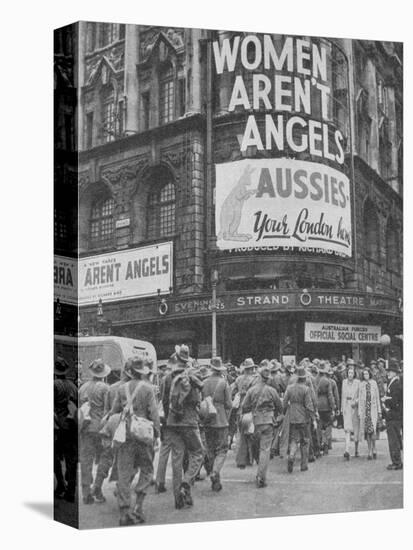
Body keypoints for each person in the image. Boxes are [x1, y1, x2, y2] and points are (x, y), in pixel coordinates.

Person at [110, 356, 160, 525]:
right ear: (142, 372)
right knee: (146, 469)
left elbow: (114, 412)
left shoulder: (121, 388)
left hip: (125, 434)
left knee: (123, 473)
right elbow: (154, 414)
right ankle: (138, 506)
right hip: (143, 435)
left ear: (129, 372)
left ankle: (124, 512)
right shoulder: (148, 388)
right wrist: (157, 435)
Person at [165, 345, 204, 509]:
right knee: (197, 453)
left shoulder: (167, 377)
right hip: (189, 421)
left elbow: (164, 400)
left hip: (173, 421)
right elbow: (197, 401)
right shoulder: (193, 376)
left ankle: (177, 499)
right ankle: (186, 482)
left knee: (176, 459)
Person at [241, 364, 282, 487]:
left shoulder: (251, 390)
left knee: (256, 447)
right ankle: (261, 477)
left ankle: (259, 469)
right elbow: (280, 407)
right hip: (268, 421)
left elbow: (244, 406)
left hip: (254, 422)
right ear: (268, 378)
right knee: (265, 450)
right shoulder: (272, 391)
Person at [79, 359, 113, 504]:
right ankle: (97, 487)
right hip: (101, 428)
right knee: (106, 456)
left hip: (86, 428)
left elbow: (81, 408)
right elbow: (110, 408)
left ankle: (86, 492)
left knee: (86, 459)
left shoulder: (83, 387)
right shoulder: (105, 388)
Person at [202, 357, 232, 491]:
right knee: (222, 450)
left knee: (210, 449)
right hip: (221, 419)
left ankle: (215, 481)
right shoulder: (224, 383)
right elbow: (229, 404)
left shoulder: (203, 382)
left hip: (207, 419)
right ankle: (215, 472)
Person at [283, 365, 316, 473]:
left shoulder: (290, 388)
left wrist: (286, 411)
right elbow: (309, 405)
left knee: (293, 439)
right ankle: (303, 465)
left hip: (292, 417)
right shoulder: (306, 389)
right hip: (304, 418)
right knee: (305, 441)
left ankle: (291, 455)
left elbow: (284, 402)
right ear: (304, 378)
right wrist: (313, 418)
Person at [54, 357, 78, 502]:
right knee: (71, 459)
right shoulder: (73, 386)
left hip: (58, 427)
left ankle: (61, 484)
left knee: (55, 456)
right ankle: (71, 491)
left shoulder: (53, 385)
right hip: (72, 426)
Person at [234, 358, 258, 468]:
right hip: (250, 409)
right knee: (252, 434)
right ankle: (251, 458)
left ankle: (241, 459)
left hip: (240, 410)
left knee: (241, 434)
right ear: (252, 368)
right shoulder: (254, 380)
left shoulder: (238, 379)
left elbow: (233, 392)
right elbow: (255, 395)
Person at [382, 359, 403, 470]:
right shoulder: (393, 383)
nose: (388, 372)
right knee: (395, 439)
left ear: (395, 372)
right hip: (393, 416)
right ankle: (396, 460)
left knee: (393, 440)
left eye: (390, 371)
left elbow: (395, 401)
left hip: (394, 416)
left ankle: (397, 462)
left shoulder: (396, 384)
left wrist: (385, 400)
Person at [357, 367, 381, 460]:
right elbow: (359, 398)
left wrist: (379, 411)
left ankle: (374, 448)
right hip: (365, 411)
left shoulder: (374, 383)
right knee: (367, 432)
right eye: (364, 374)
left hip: (373, 409)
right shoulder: (361, 384)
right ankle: (369, 450)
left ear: (369, 374)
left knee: (373, 430)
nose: (365, 376)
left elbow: (377, 397)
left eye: (367, 374)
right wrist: (359, 412)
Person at [315, 361, 335, 455]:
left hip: (317, 404)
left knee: (318, 426)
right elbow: (330, 395)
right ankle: (326, 444)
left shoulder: (314, 379)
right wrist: (333, 406)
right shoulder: (327, 381)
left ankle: (318, 446)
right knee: (328, 425)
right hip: (326, 405)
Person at [341, 364, 360, 460]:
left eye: (352, 373)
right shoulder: (344, 382)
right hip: (347, 406)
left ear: (354, 374)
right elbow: (343, 395)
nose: (350, 374)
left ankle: (356, 449)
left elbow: (360, 395)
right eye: (349, 372)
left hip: (355, 407)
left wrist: (356, 402)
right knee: (347, 429)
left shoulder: (358, 383)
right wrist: (342, 408)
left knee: (356, 429)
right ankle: (347, 450)